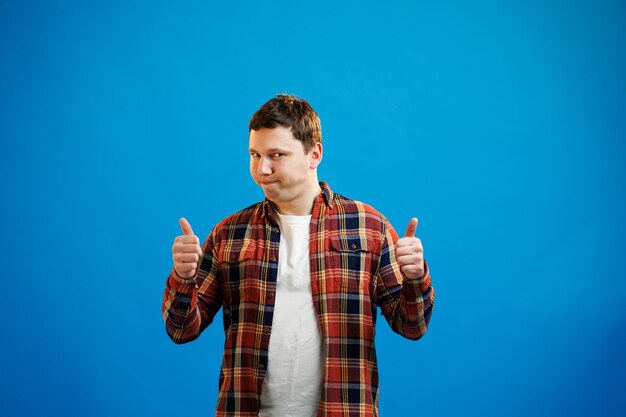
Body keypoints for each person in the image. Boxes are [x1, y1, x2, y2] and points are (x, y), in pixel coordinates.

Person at [162, 94, 435, 417]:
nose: (262, 168)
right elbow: (181, 330)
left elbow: (412, 326)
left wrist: (416, 278)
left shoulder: (368, 227)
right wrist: (182, 276)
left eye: (276, 155)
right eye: (254, 154)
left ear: (314, 154)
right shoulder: (228, 233)